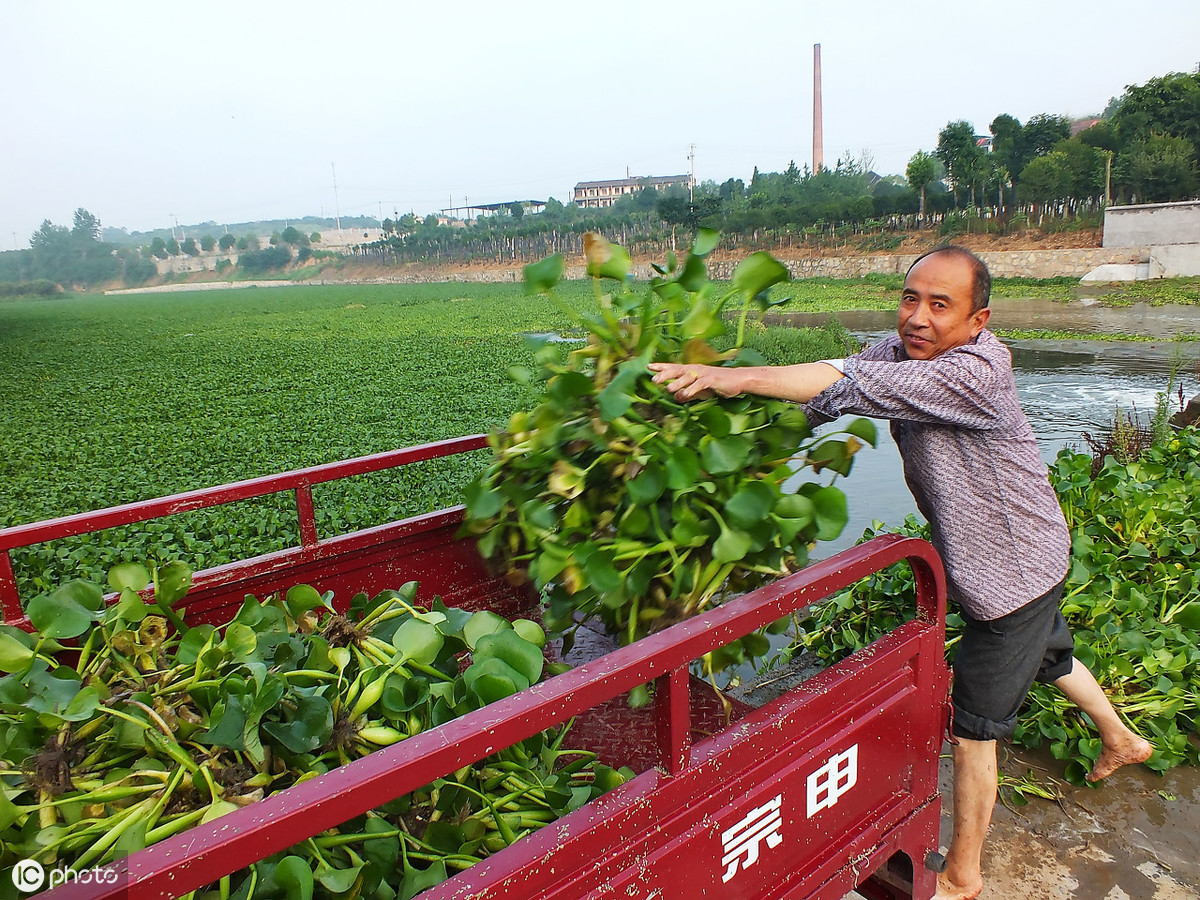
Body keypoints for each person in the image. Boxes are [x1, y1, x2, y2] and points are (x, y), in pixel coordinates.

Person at [649, 245, 1152, 900]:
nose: (917, 317)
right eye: (910, 297)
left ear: (979, 320)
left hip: (1012, 573)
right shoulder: (900, 352)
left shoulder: (973, 374)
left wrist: (733, 379)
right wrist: (733, 445)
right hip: (1023, 554)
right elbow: (836, 386)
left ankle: (964, 878)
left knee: (974, 731)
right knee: (1050, 655)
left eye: (941, 305)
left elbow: (849, 384)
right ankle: (1121, 738)